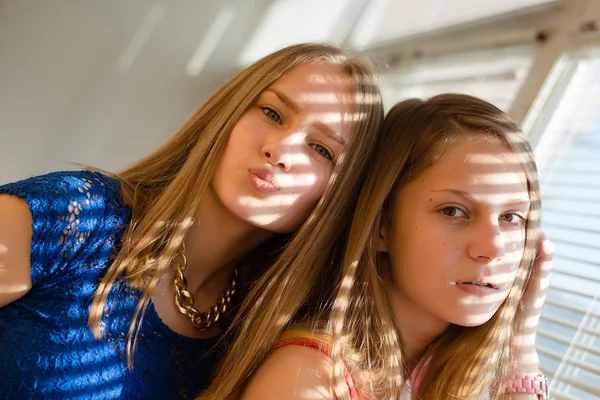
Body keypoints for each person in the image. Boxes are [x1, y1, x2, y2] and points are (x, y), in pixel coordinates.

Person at [0, 43, 384, 399]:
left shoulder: (256, 344)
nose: (281, 150)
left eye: (321, 149)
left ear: (337, 198)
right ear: (229, 112)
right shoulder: (74, 215)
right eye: (272, 113)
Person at [239, 94, 552, 400]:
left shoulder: (432, 377)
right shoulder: (307, 380)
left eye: (511, 217)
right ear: (381, 226)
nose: (494, 248)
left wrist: (520, 343)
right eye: (453, 211)